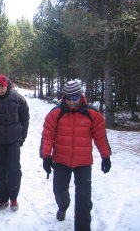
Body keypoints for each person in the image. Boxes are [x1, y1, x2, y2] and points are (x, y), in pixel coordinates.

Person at [40, 80, 112, 231]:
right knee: (59, 191)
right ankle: (63, 206)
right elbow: (47, 136)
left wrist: (106, 157)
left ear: (80, 96)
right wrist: (46, 157)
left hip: (83, 162)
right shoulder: (55, 113)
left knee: (83, 200)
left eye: (75, 98)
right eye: (69, 99)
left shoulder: (92, 113)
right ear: (64, 97)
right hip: (61, 160)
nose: (72, 102)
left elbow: (100, 137)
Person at [0, 74, 30, 212]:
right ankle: (3, 200)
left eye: (2, 87)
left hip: (13, 142)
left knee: (14, 171)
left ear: (6, 85)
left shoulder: (18, 99)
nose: (0, 90)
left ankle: (13, 198)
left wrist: (23, 137)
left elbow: (25, 119)